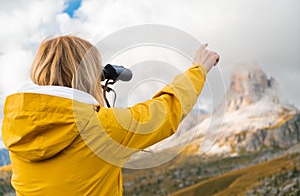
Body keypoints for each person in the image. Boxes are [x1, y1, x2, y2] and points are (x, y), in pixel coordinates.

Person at [2, 35, 219, 195]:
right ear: (90, 75)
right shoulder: (105, 128)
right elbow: (165, 110)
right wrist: (198, 69)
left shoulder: (17, 126)